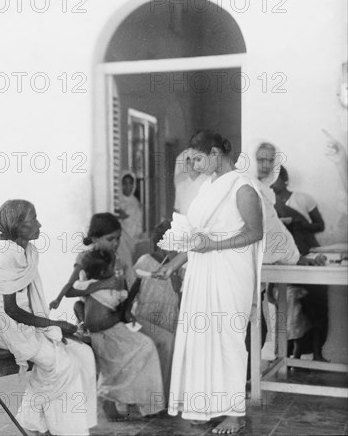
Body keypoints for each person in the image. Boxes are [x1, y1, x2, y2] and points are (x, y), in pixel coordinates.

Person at [154, 130, 264, 434]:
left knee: (227, 339)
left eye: (199, 158)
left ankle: (233, 414)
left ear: (215, 153)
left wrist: (213, 247)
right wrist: (174, 263)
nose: (196, 165)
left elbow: (255, 233)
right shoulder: (208, 187)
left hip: (230, 271)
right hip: (202, 271)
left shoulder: (242, 188)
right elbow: (197, 236)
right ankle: (207, 405)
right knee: (202, 340)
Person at [0, 199, 97, 436]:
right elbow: (11, 310)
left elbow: (28, 304)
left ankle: (52, 424)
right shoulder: (6, 254)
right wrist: (54, 324)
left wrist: (50, 325)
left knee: (83, 355)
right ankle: (32, 422)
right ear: (18, 225)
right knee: (60, 364)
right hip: (2, 324)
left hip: (26, 320)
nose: (39, 224)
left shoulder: (27, 250)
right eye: (33, 219)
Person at [52, 213, 165, 422]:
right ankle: (109, 398)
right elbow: (70, 291)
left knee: (145, 347)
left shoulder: (117, 260)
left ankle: (134, 402)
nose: (115, 244)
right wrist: (101, 285)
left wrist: (127, 309)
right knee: (132, 352)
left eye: (118, 239)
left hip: (114, 320)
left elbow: (124, 288)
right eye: (110, 239)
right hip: (98, 327)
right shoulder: (85, 259)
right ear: (95, 238)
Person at [272, 166, 328, 362]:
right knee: (287, 308)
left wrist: (299, 223)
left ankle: (317, 354)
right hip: (285, 259)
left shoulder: (303, 199)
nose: (270, 182)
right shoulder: (267, 202)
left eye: (274, 177)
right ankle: (283, 356)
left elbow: (320, 225)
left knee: (316, 305)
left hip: (308, 254)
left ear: (284, 178)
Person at [131, 219, 180, 404]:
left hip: (169, 317)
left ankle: (161, 399)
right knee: (155, 354)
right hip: (146, 317)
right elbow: (132, 291)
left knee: (167, 355)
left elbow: (178, 296)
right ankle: (147, 399)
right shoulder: (145, 262)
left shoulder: (178, 265)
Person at [116, 172, 143, 265]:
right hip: (118, 238)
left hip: (131, 238)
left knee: (127, 262)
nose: (127, 186)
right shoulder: (116, 201)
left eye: (130, 183)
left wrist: (125, 216)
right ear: (120, 184)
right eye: (125, 183)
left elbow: (138, 222)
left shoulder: (135, 202)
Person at [174, 150, 209, 215]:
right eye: (189, 163)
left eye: (194, 162)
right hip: (185, 222)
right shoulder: (181, 186)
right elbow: (178, 209)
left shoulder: (208, 181)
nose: (191, 166)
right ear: (185, 166)